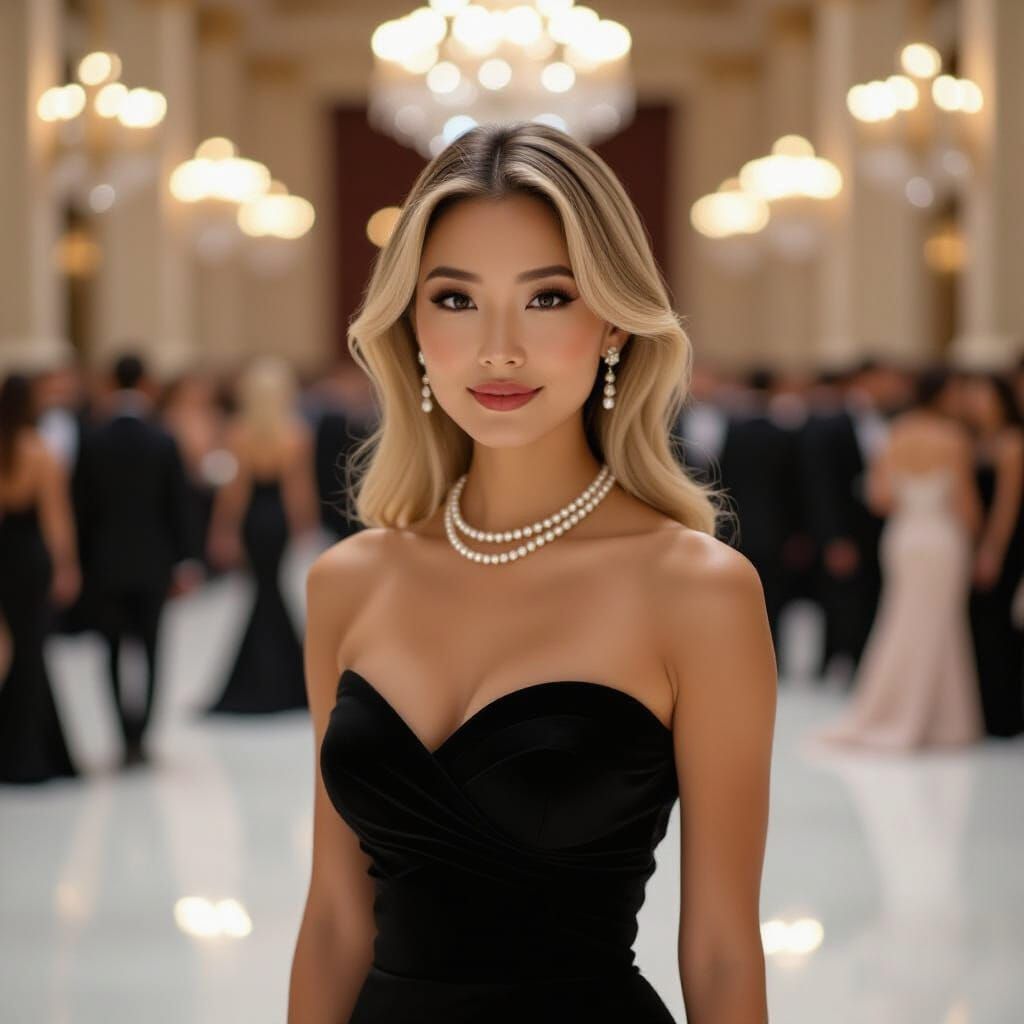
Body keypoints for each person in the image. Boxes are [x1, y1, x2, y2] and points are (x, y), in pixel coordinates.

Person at [288, 122, 777, 1024]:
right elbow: (331, 919)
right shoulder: (347, 582)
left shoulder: (699, 591)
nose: (498, 348)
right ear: (412, 325)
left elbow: (717, 947)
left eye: (548, 298)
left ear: (615, 328)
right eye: (457, 299)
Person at [807, 368, 985, 751]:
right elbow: (967, 507)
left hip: (904, 536)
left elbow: (878, 497)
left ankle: (893, 709)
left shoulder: (896, 433)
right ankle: (941, 719)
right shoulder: (953, 438)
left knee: (901, 618)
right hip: (941, 538)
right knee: (940, 623)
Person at [72, 352, 200, 768]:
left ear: (111, 383)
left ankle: (121, 733)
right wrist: (185, 561)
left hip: (105, 564)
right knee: (152, 648)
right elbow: (179, 505)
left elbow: (80, 509)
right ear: (146, 383)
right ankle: (142, 735)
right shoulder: (162, 438)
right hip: (153, 563)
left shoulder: (91, 438)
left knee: (109, 649)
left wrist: (81, 562)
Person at [204, 355, 318, 714]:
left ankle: (257, 678)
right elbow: (298, 490)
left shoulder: (240, 432)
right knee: (271, 591)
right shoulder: (295, 433)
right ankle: (285, 679)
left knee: (262, 591)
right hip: (277, 520)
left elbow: (234, 492)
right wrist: (304, 527)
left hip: (254, 519)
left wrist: (224, 529)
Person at [0, 372, 81, 784]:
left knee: (10, 648)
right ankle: (33, 751)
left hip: (5, 555)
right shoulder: (40, 451)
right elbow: (56, 520)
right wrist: (66, 567)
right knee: (33, 649)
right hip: (30, 559)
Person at [961, 371, 1024, 737]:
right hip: (971, 546)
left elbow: (1006, 507)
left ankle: (1005, 716)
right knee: (980, 630)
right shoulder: (972, 440)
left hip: (1002, 548)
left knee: (1001, 629)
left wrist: (992, 552)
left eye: (984, 397)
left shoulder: (1012, 443)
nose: (977, 404)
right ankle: (985, 711)